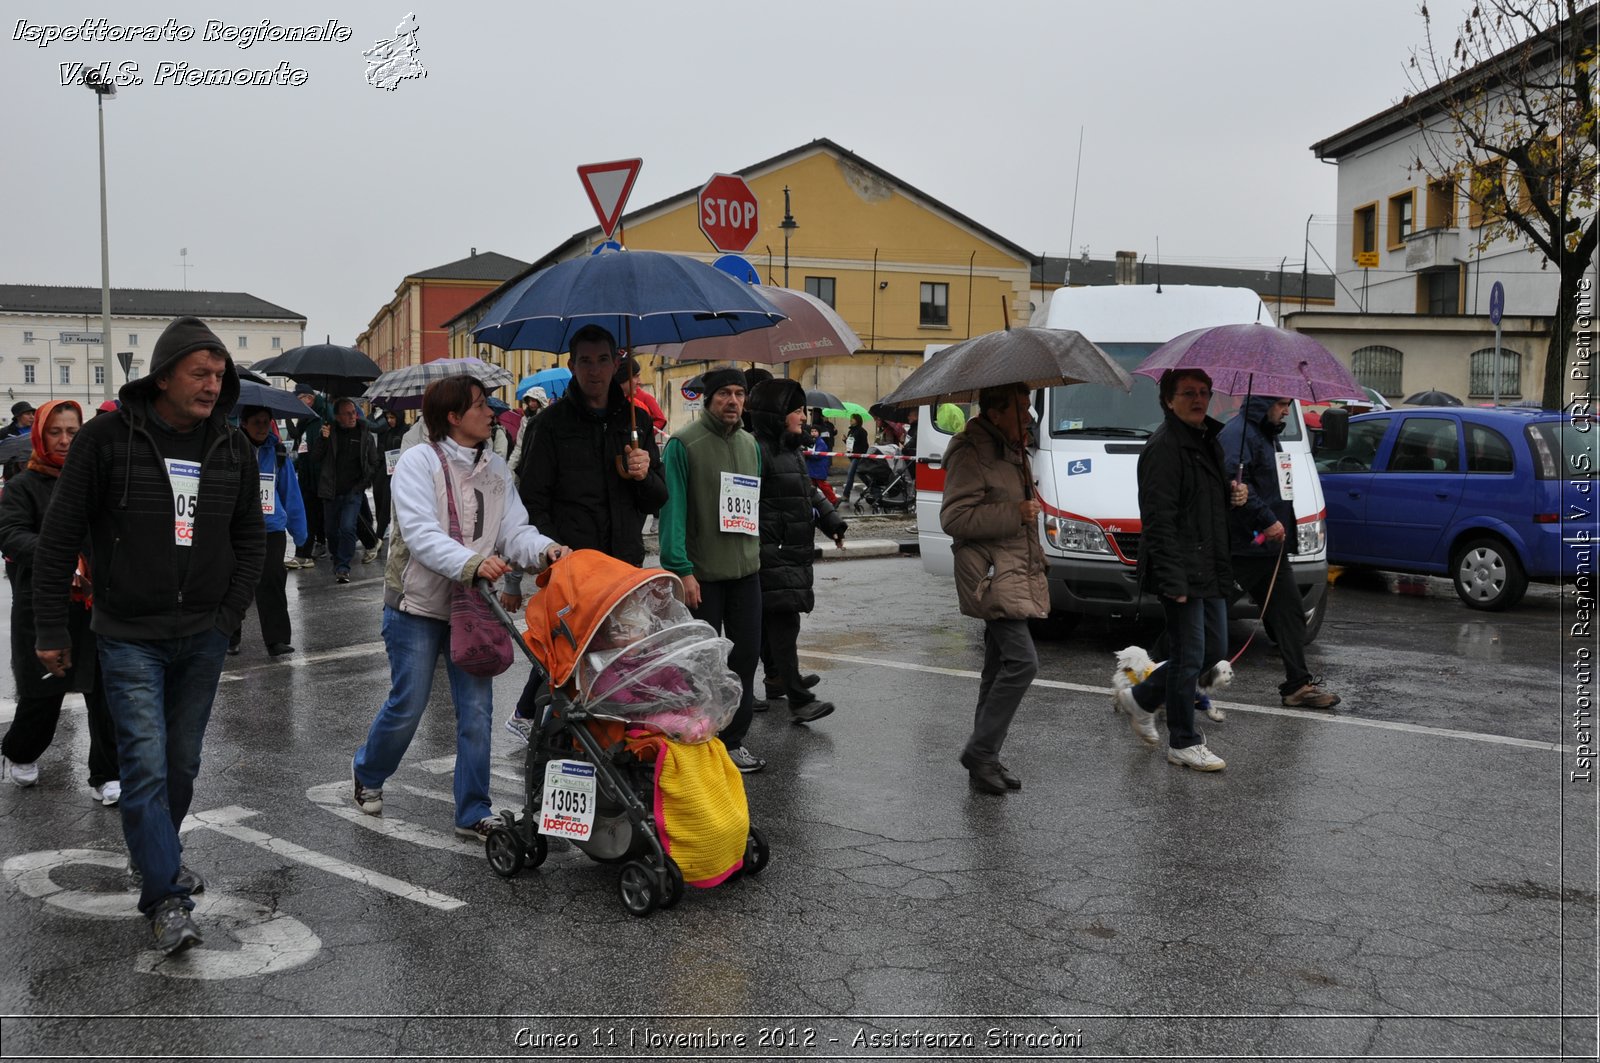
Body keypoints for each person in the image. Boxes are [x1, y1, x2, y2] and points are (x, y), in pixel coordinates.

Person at [33, 315, 265, 955]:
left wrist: (228, 616)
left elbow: (250, 542)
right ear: (163, 376)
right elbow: (57, 540)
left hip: (203, 635)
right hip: (128, 633)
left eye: (220, 375)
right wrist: (51, 625)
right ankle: (166, 898)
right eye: (200, 373)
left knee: (182, 763)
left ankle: (152, 853)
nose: (213, 385)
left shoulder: (232, 446)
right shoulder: (107, 439)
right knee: (144, 762)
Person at [351, 375, 567, 840]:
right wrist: (473, 563)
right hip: (416, 605)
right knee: (408, 704)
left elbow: (514, 532)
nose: (492, 411)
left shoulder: (495, 470)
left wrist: (546, 549)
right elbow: (421, 534)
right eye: (480, 405)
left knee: (476, 711)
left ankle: (473, 810)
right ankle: (368, 771)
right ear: (453, 417)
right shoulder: (417, 462)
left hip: (474, 607)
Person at [502, 325, 666, 740]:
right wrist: (559, 552)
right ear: (572, 366)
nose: (595, 371)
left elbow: (657, 498)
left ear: (616, 363)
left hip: (624, 566)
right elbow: (532, 501)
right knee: (567, 658)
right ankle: (544, 734)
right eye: (586, 362)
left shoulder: (637, 420)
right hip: (573, 567)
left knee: (619, 659)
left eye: (603, 360)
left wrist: (643, 474)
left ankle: (606, 742)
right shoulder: (551, 424)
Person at [1113, 369, 1246, 773]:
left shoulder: (1208, 440)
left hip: (1209, 564)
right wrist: (1173, 579)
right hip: (1181, 567)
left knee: (1212, 649)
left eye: (1204, 392)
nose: (1198, 399)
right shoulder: (1164, 446)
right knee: (1190, 656)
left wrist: (1233, 494)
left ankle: (1141, 697)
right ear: (1168, 400)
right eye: (1188, 393)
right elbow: (1159, 518)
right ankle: (1184, 742)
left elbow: (1203, 502)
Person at [0, 400, 120, 805]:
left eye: (73, 431)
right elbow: (10, 533)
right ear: (40, 435)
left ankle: (106, 774)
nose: (65, 440)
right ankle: (18, 750)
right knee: (43, 695)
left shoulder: (93, 480)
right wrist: (59, 552)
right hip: (42, 604)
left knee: (102, 692)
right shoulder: (22, 486)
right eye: (56, 431)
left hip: (92, 604)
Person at [940, 383, 1048, 795]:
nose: (1028, 417)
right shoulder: (971, 452)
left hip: (1014, 570)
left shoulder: (1011, 448)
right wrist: (1015, 512)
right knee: (1023, 663)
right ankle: (980, 752)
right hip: (990, 575)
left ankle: (985, 760)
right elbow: (955, 518)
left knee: (998, 666)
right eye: (1020, 409)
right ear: (995, 412)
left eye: (1028, 408)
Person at [658, 365, 766, 773]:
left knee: (746, 659)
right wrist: (681, 569)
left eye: (739, 394)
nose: (734, 401)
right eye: (725, 394)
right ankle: (697, 741)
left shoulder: (750, 444)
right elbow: (673, 512)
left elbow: (751, 505)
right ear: (709, 398)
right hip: (700, 576)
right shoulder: (684, 444)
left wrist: (756, 556)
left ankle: (734, 741)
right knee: (700, 666)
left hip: (746, 573)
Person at [1217, 395, 1340, 709]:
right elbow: (1236, 486)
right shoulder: (1237, 436)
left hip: (1269, 550)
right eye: (1283, 403)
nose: (1287, 410)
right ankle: (1152, 675)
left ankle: (1297, 685)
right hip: (1242, 549)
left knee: (1290, 616)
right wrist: (1268, 520)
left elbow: (1275, 488)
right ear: (1262, 403)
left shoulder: (1267, 437)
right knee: (1204, 618)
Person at [747, 379, 847, 725]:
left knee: (776, 624)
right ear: (776, 415)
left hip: (788, 551)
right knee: (784, 623)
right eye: (797, 410)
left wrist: (833, 522)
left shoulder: (788, 449)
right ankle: (798, 699)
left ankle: (779, 681)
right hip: (771, 553)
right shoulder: (756, 450)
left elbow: (806, 492)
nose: (804, 417)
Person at [230, 405, 308, 657]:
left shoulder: (277, 452)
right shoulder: (231, 449)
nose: (262, 427)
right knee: (233, 581)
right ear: (244, 423)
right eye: (257, 422)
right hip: (238, 528)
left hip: (271, 528)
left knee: (272, 581)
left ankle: (277, 640)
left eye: (266, 422)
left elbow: (290, 493)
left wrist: (300, 533)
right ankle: (230, 636)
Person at [311, 397, 380, 584]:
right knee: (331, 532)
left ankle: (343, 567)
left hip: (353, 491)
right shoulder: (329, 431)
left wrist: (363, 482)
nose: (353, 416)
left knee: (348, 528)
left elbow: (373, 461)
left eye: (354, 412)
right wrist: (322, 439)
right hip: (330, 491)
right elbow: (315, 457)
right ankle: (336, 557)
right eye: (348, 413)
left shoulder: (364, 431)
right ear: (338, 416)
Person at [286, 384, 331, 569]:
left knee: (315, 516)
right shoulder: (306, 418)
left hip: (319, 476)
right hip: (307, 475)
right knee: (309, 515)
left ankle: (307, 551)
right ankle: (305, 552)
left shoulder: (323, 418)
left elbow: (319, 450)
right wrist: (288, 416)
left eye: (299, 400)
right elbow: (296, 436)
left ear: (309, 399)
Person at [373, 408, 409, 548]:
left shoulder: (406, 432)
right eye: (388, 417)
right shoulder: (388, 432)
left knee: (388, 504)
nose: (389, 420)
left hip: (401, 474)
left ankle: (378, 536)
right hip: (386, 470)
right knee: (380, 498)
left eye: (392, 417)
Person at [615, 354, 667, 432]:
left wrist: (644, 435)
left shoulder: (642, 404)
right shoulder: (601, 404)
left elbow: (660, 419)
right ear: (623, 378)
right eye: (636, 376)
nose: (640, 382)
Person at [507, 386, 547, 484]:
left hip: (545, 464)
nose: (531, 404)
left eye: (534, 400)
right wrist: (509, 468)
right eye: (529, 401)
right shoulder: (524, 420)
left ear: (540, 401)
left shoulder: (547, 418)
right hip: (528, 464)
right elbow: (519, 446)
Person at [805, 409, 838, 504]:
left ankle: (834, 500)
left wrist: (807, 454)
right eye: (812, 431)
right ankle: (813, 502)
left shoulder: (821, 442)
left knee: (823, 486)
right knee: (812, 486)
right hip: (812, 468)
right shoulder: (811, 441)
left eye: (815, 431)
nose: (813, 433)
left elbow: (817, 455)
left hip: (819, 468)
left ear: (818, 433)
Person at [1, 400, 36, 482]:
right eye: (28, 414)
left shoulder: (38, 430)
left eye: (32, 414)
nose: (32, 417)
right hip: (12, 476)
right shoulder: (5, 432)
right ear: (18, 416)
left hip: (34, 474)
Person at [840, 412, 870, 504]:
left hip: (858, 456)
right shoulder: (850, 431)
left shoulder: (862, 431)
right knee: (861, 474)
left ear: (857, 420)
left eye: (852, 419)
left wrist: (857, 453)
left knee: (850, 474)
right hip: (852, 456)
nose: (850, 420)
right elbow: (850, 445)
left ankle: (846, 495)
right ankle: (872, 488)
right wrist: (845, 440)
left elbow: (865, 446)